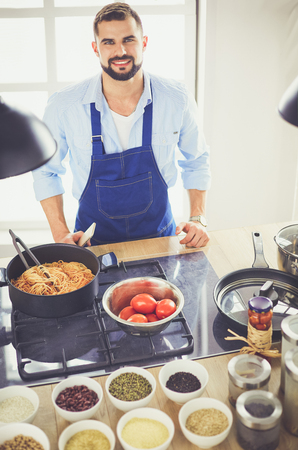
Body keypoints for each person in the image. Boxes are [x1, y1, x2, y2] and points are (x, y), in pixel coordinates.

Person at [32, 2, 211, 248]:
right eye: (109, 42)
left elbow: (197, 159)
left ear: (144, 42)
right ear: (96, 48)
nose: (121, 51)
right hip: (92, 248)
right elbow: (45, 171)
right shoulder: (64, 106)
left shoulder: (175, 98)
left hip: (161, 242)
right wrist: (60, 233)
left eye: (129, 40)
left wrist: (198, 218)